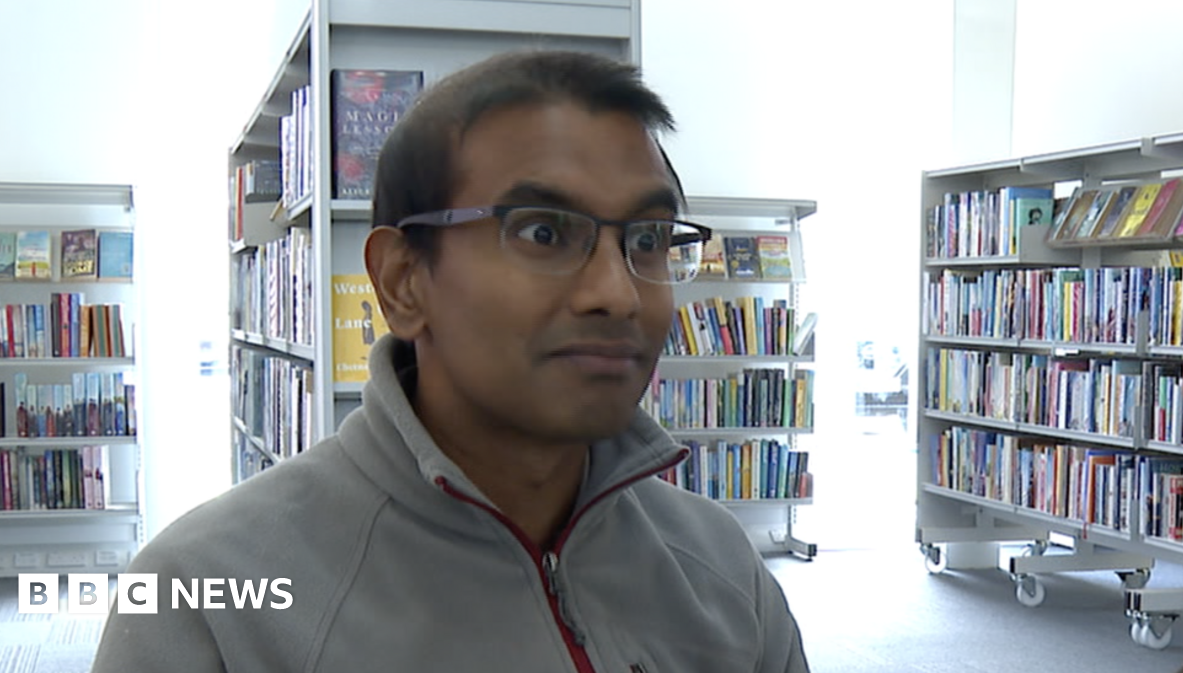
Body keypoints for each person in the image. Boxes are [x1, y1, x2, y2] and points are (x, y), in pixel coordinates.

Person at [91, 49, 811, 672]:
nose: (618, 293)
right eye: (542, 231)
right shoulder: (207, 599)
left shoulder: (722, 568)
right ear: (403, 282)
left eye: (647, 239)